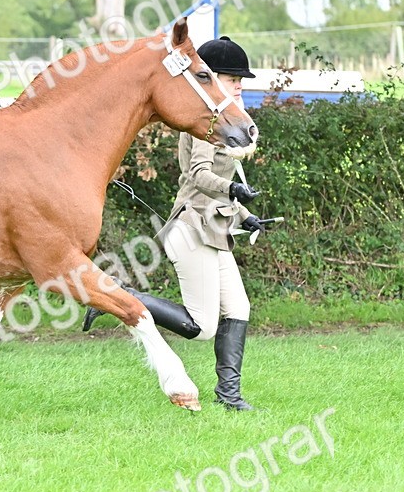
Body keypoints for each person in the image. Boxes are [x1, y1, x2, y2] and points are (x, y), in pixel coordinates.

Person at [84, 36, 274, 411]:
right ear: (214, 78)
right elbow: (199, 175)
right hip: (191, 228)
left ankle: (230, 396)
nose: (239, 85)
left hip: (215, 229)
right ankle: (119, 295)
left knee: (239, 309)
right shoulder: (207, 123)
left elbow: (219, 196)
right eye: (234, 78)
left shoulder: (228, 119)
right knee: (201, 327)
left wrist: (246, 216)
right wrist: (234, 187)